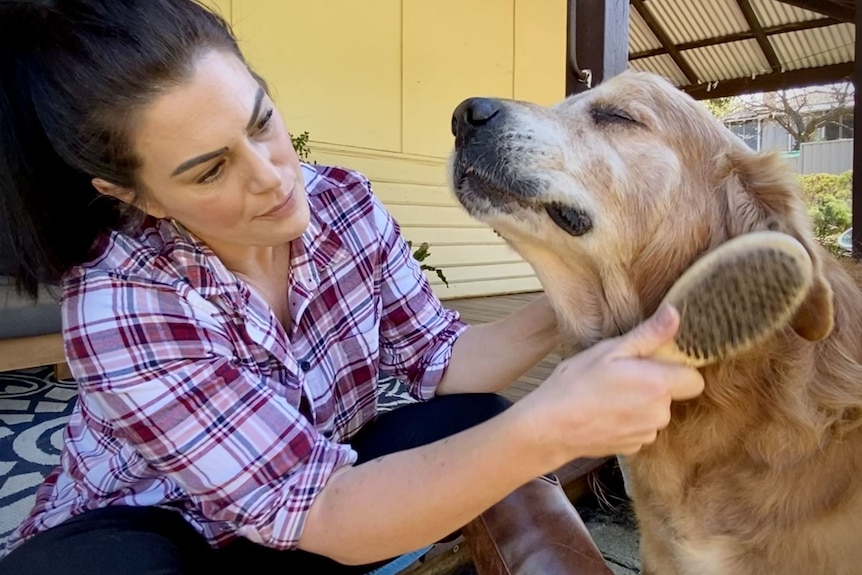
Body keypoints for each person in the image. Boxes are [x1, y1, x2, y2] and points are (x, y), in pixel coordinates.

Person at [0, 1, 704, 574]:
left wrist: (596, 291)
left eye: (261, 122)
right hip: (164, 534)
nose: (274, 177)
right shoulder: (120, 298)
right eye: (210, 171)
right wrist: (552, 425)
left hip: (298, 519)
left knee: (476, 416)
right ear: (137, 195)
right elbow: (322, 512)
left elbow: (443, 358)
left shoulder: (342, 203)